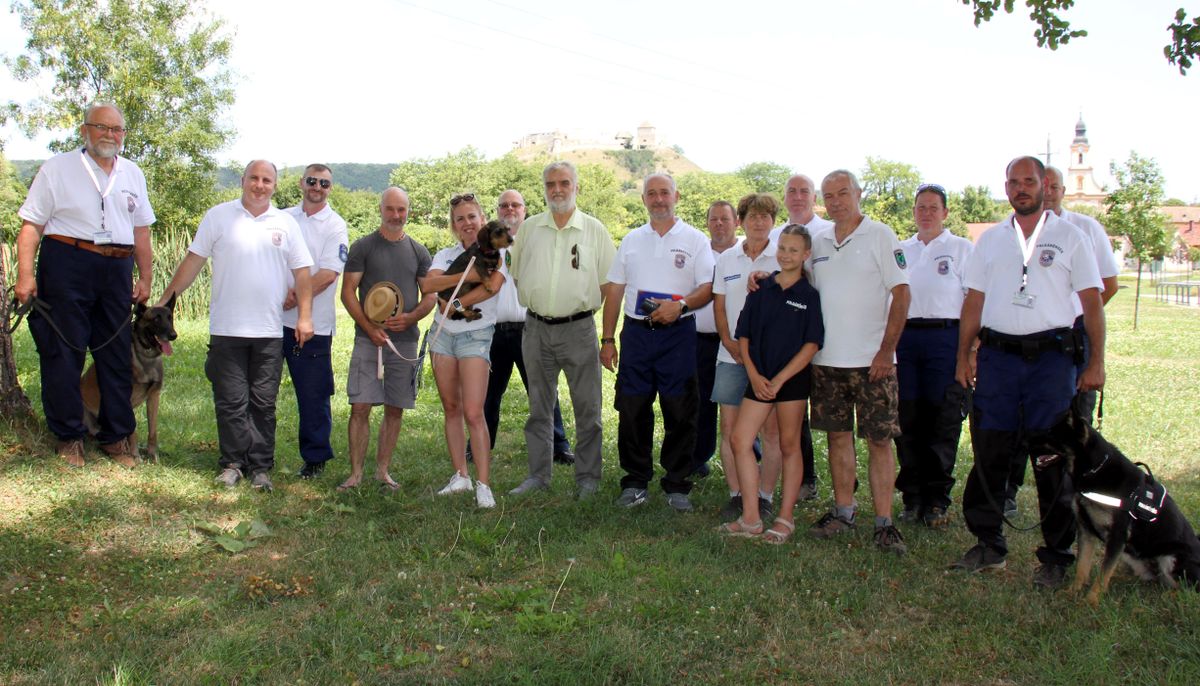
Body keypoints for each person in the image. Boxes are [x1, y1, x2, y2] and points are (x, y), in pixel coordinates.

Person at [950, 156, 1105, 588]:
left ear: (1044, 185)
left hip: (1051, 360)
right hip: (998, 359)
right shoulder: (991, 241)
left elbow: (1092, 303)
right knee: (991, 447)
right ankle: (988, 543)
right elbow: (973, 303)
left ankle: (1056, 555)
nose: (1021, 189)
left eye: (1029, 181)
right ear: (1006, 188)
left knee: (1052, 455)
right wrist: (964, 354)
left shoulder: (1071, 237)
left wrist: (1095, 361)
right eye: (1014, 182)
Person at [158, 160, 314, 492]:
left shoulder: (285, 223)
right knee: (230, 401)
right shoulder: (218, 217)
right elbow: (193, 262)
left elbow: (302, 273)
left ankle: (260, 468)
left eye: (266, 180)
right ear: (243, 181)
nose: (259, 185)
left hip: (269, 332)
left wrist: (304, 316)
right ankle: (231, 464)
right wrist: (165, 299)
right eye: (254, 178)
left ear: (275, 185)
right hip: (227, 329)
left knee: (263, 402)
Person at [16, 101, 155, 468]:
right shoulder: (57, 168)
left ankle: (116, 437)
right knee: (64, 352)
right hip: (68, 262)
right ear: (85, 131)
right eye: (101, 127)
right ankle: (69, 437)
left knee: (114, 354)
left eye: (116, 130)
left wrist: (145, 276)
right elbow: (31, 226)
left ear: (123, 136)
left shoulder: (132, 173)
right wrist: (26, 276)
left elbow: (141, 230)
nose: (110, 135)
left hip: (117, 268)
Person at [1001, 165, 1121, 515]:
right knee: (1022, 417)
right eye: (1044, 185)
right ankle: (1010, 488)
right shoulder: (1010, 232)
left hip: (1072, 338)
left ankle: (1076, 491)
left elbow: (1106, 285)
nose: (1048, 191)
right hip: (1022, 343)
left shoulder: (1083, 229)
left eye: (1053, 186)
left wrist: (1075, 317)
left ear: (1060, 190)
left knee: (1071, 416)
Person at [807, 169, 911, 554]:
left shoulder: (881, 235)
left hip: (874, 363)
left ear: (858, 194)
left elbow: (901, 294)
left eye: (842, 193)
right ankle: (844, 512)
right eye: (828, 195)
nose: (835, 201)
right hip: (827, 361)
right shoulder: (817, 240)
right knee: (838, 437)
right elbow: (799, 282)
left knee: (879, 441)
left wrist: (886, 351)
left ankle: (884, 522)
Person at [601, 173, 714, 512]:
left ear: (676, 196)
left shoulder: (695, 240)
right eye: (652, 193)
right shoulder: (632, 239)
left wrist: (679, 306)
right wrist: (607, 339)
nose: (659, 199)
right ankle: (635, 481)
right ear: (644, 200)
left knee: (680, 409)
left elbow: (707, 286)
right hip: (637, 334)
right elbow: (616, 290)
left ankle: (677, 484)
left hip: (678, 335)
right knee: (633, 408)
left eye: (664, 192)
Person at [508, 162, 616, 499]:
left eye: (564, 183)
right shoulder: (529, 229)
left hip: (579, 329)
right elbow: (516, 273)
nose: (557, 189)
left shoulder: (594, 230)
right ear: (544, 187)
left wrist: (607, 337)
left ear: (576, 187)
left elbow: (609, 285)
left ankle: (588, 478)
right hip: (536, 329)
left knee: (588, 409)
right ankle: (538, 476)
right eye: (551, 183)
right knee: (539, 408)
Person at [718, 225, 823, 541]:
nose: (786, 255)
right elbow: (744, 334)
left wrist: (779, 380)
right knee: (740, 440)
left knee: (790, 445)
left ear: (805, 255)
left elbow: (812, 344)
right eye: (783, 249)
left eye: (794, 250)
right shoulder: (761, 289)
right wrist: (752, 372)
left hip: (789, 383)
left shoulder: (809, 295)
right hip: (758, 379)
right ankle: (751, 517)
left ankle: (785, 519)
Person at [338, 187, 435, 492]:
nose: (396, 215)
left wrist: (410, 317)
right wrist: (369, 328)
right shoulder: (363, 247)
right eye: (390, 209)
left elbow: (430, 296)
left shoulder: (419, 252)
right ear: (380, 209)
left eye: (401, 210)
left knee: (395, 408)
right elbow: (347, 292)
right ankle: (355, 475)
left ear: (409, 212)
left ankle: (382, 471)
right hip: (368, 340)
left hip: (404, 342)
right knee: (360, 407)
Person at [893, 183, 973, 528]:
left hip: (946, 338)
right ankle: (912, 498)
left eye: (933, 208)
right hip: (906, 340)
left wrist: (970, 349)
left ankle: (937, 499)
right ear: (913, 212)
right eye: (920, 207)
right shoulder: (901, 249)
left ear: (945, 212)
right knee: (907, 419)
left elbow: (974, 300)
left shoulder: (961, 249)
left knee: (942, 420)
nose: (926, 213)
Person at [419, 193, 505, 508]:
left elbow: (492, 286)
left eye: (472, 217)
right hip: (442, 338)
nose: (467, 223)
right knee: (451, 408)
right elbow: (428, 287)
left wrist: (454, 299)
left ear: (482, 220)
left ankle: (483, 484)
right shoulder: (444, 253)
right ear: (454, 226)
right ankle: (460, 476)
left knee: (473, 411)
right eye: (460, 219)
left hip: (476, 335)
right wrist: (468, 275)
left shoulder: (498, 253)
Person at [481, 189, 574, 466]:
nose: (510, 209)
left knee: (543, 391)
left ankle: (558, 446)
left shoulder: (538, 240)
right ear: (497, 211)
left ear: (524, 210)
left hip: (529, 328)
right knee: (487, 393)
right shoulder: (486, 244)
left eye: (515, 205)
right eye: (504, 205)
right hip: (493, 331)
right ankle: (480, 446)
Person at [711, 195, 783, 522]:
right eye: (752, 216)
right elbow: (719, 305)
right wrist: (728, 340)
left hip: (769, 360)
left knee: (770, 432)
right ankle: (737, 493)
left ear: (773, 220)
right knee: (729, 428)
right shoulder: (727, 259)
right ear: (741, 221)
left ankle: (764, 496)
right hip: (731, 357)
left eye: (765, 216)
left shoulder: (783, 258)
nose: (758, 222)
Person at [282, 164, 349, 479]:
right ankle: (254, 454)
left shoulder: (335, 225)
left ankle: (315, 459)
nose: (317, 187)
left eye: (324, 183)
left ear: (330, 188)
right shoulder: (281, 217)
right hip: (270, 321)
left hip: (315, 325)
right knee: (260, 390)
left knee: (313, 394)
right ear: (301, 183)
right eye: (312, 180)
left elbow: (329, 273)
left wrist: (295, 296)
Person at [769, 173, 833, 500]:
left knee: (823, 415)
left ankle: (832, 482)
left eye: (803, 191)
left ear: (814, 196)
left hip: (823, 332)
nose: (797, 196)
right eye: (791, 191)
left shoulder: (827, 232)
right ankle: (803, 478)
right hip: (787, 333)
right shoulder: (777, 234)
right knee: (793, 411)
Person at [689, 200, 741, 480]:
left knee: (741, 403)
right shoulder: (699, 251)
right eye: (713, 219)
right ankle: (699, 458)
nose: (719, 224)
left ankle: (748, 454)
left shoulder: (747, 250)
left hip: (738, 343)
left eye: (725, 219)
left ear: (737, 222)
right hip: (701, 338)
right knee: (701, 401)